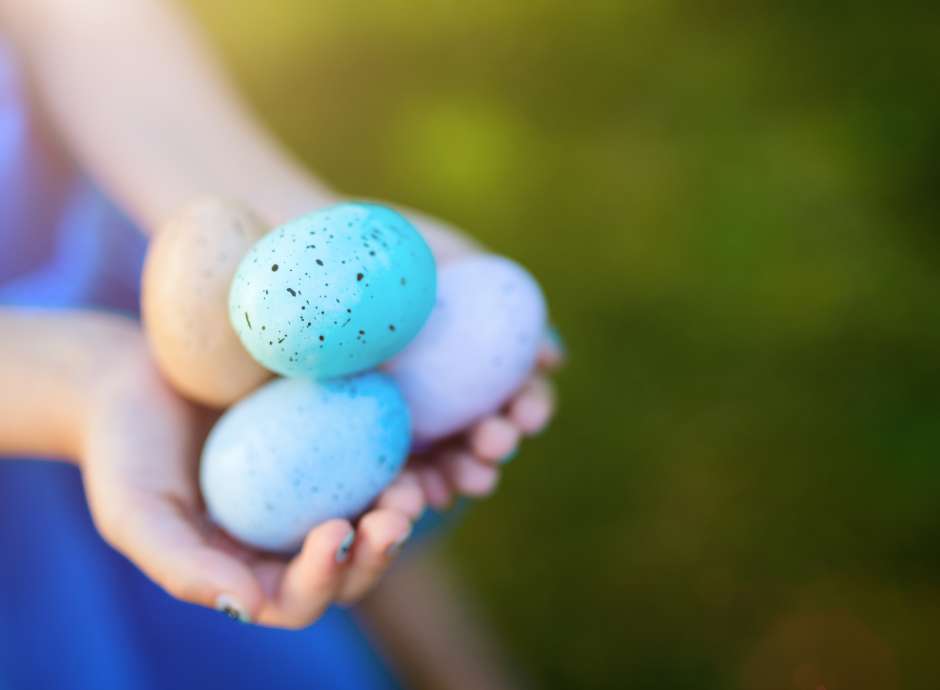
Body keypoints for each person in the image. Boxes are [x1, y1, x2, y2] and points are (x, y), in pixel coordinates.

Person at [0, 0, 562, 688]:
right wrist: (60, 378)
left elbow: (74, 14)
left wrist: (273, 208)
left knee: (358, 516)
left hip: (145, 274)